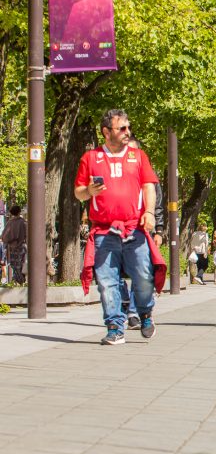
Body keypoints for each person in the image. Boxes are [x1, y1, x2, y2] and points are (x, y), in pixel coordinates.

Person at [74, 109, 165, 345]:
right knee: (106, 281)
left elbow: (148, 186)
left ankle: (144, 312)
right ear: (106, 132)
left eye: (128, 127)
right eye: (121, 128)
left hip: (134, 228)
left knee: (143, 276)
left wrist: (149, 213)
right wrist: (89, 192)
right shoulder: (90, 158)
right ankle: (115, 326)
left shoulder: (138, 156)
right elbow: (78, 192)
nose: (127, 132)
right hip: (104, 230)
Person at [1, 205, 27, 285]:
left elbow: (4, 236)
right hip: (22, 247)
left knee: (15, 267)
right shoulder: (24, 222)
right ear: (19, 212)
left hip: (12, 248)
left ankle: (19, 281)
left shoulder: (10, 223)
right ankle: (21, 281)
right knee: (22, 265)